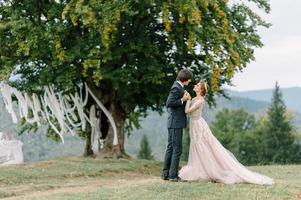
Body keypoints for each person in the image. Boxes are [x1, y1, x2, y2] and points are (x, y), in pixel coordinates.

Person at [179, 81, 274, 185]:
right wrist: (189, 99)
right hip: (194, 125)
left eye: (197, 85)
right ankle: (199, 168)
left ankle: (209, 170)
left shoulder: (200, 101)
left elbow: (187, 111)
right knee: (196, 147)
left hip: (199, 125)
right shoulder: (195, 99)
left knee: (203, 147)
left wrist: (187, 100)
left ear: (201, 90)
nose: (195, 86)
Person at [162, 69, 193, 182]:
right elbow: (169, 103)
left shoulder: (178, 86)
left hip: (173, 122)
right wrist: (182, 100)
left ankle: (166, 174)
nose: (190, 81)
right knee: (177, 149)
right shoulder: (176, 87)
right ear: (185, 79)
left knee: (170, 148)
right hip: (176, 123)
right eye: (189, 79)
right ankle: (173, 176)